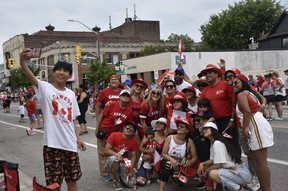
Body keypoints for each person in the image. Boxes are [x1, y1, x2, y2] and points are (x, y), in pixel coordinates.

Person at [20, 49, 86, 190]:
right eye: (59, 69)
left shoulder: (71, 94)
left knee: (72, 181)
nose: (62, 72)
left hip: (70, 145)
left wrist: (78, 139)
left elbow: (71, 119)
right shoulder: (45, 88)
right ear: (53, 72)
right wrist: (22, 62)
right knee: (53, 185)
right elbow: (30, 76)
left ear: (69, 75)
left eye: (65, 71)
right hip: (52, 145)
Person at [233, 74, 274, 191]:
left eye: (237, 82)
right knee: (256, 161)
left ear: (243, 83)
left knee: (261, 162)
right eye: (233, 83)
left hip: (255, 125)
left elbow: (247, 111)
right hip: (256, 123)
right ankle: (262, 187)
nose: (233, 85)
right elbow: (260, 102)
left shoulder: (242, 94)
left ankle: (267, 189)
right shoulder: (248, 93)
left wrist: (245, 128)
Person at [197, 122, 252, 191]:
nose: (204, 131)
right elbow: (212, 160)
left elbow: (219, 165)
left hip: (241, 174)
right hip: (236, 173)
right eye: (203, 130)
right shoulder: (213, 143)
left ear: (213, 130)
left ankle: (238, 189)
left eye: (206, 129)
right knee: (211, 171)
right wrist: (202, 164)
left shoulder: (217, 143)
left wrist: (206, 171)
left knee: (212, 173)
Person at [199, 64, 241, 154]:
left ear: (216, 74)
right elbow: (202, 109)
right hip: (213, 123)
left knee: (232, 145)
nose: (207, 75)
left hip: (227, 121)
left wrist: (232, 119)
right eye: (206, 73)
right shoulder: (205, 91)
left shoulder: (225, 85)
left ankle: (238, 165)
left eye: (210, 72)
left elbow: (234, 103)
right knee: (218, 146)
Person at [95, 89, 133, 182]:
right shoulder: (111, 104)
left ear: (129, 99)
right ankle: (104, 173)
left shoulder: (129, 110)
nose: (125, 97)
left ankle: (113, 170)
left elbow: (126, 125)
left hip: (114, 134)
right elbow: (101, 116)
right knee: (102, 152)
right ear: (119, 97)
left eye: (127, 96)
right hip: (103, 131)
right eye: (123, 95)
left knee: (111, 153)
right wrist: (97, 128)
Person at [159, 118, 198, 191]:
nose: (179, 127)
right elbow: (163, 154)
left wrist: (188, 162)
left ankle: (180, 184)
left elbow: (195, 157)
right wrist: (172, 160)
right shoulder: (169, 138)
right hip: (167, 161)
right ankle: (161, 189)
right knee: (168, 165)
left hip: (180, 165)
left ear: (187, 130)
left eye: (182, 126)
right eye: (178, 126)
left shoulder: (189, 142)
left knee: (176, 177)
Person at [104, 122, 138, 191]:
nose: (129, 129)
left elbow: (134, 156)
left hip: (123, 162)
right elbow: (106, 150)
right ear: (123, 128)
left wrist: (131, 170)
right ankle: (116, 181)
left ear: (133, 133)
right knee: (113, 159)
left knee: (131, 184)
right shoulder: (114, 135)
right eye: (127, 127)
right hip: (110, 161)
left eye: (131, 129)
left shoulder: (134, 140)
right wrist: (117, 155)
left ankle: (120, 176)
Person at [137, 117, 167, 186]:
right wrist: (147, 151)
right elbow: (140, 148)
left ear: (165, 127)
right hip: (147, 158)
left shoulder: (167, 137)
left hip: (159, 160)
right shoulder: (149, 134)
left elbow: (165, 152)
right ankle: (148, 177)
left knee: (161, 176)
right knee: (140, 181)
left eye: (161, 124)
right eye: (157, 123)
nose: (158, 125)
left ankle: (156, 174)